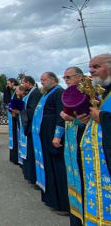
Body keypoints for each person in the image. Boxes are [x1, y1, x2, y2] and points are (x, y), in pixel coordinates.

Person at [76, 54, 111, 225]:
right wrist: (88, 120)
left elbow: (104, 118)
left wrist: (102, 117)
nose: (91, 70)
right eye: (90, 67)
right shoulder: (102, 93)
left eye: (96, 66)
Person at [32, 72, 69, 213]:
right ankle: (51, 198)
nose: (41, 82)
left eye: (44, 80)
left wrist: (58, 136)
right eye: (40, 80)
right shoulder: (47, 93)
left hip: (52, 135)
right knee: (49, 167)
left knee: (57, 168)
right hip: (45, 136)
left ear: (53, 80)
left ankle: (62, 203)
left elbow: (61, 115)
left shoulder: (59, 92)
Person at [54, 67, 85, 225]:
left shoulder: (86, 93)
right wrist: (58, 134)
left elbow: (89, 119)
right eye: (64, 77)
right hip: (71, 140)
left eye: (68, 77)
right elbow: (64, 117)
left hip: (83, 142)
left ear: (79, 77)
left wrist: (74, 120)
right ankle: (75, 213)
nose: (65, 80)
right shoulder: (69, 94)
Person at [20, 76, 42, 185]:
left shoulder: (35, 93)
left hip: (33, 126)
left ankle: (34, 176)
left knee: (32, 152)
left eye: (23, 83)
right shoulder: (31, 93)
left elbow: (33, 110)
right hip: (30, 126)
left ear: (28, 83)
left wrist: (21, 110)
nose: (22, 85)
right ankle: (31, 175)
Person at [6, 78, 20, 164]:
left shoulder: (17, 91)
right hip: (13, 117)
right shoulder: (14, 92)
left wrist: (13, 110)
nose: (7, 85)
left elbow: (19, 103)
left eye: (8, 83)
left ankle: (17, 157)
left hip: (16, 118)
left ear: (13, 83)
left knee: (17, 137)